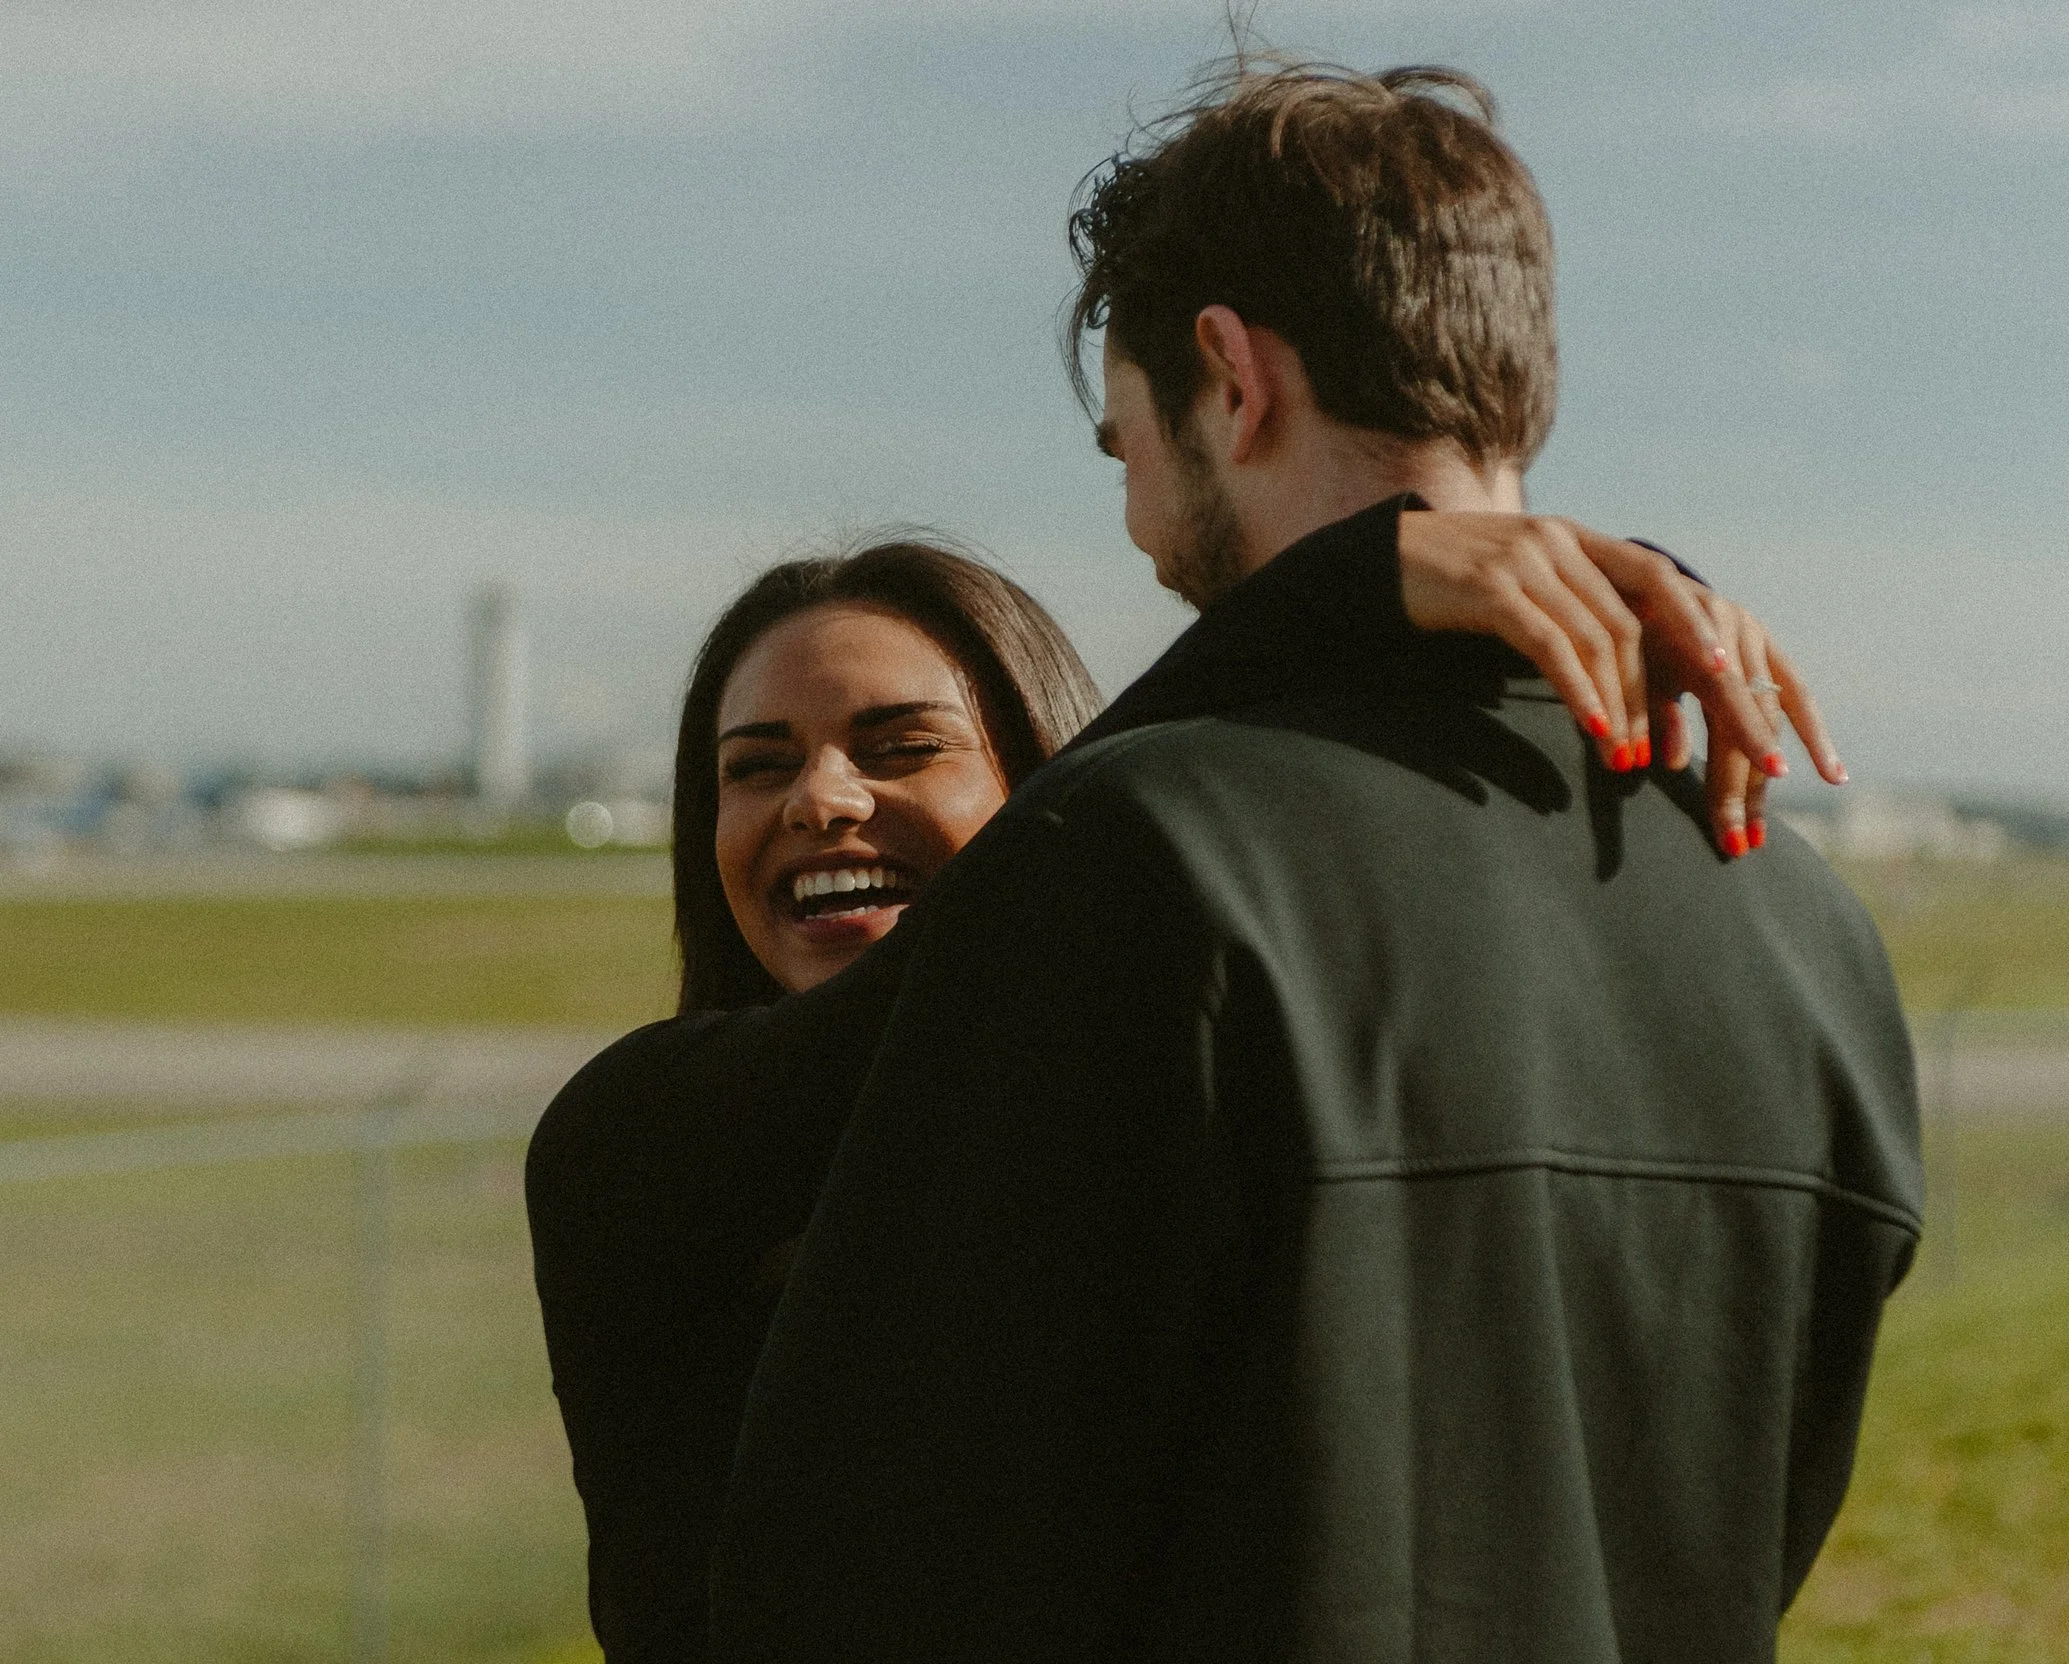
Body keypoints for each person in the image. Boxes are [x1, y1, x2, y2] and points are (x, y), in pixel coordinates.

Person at [705, 60, 1920, 1663]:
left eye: (1119, 437)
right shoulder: (1808, 928)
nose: (1137, 513)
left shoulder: (1139, 858)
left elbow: (868, 1571)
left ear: (1229, 375)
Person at [530, 517, 1828, 1660]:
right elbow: (989, 962)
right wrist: (1354, 581)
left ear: (1039, 781)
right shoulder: (635, 1140)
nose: (821, 797)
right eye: (756, 765)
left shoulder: (1169, 1161)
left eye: (900, 745)